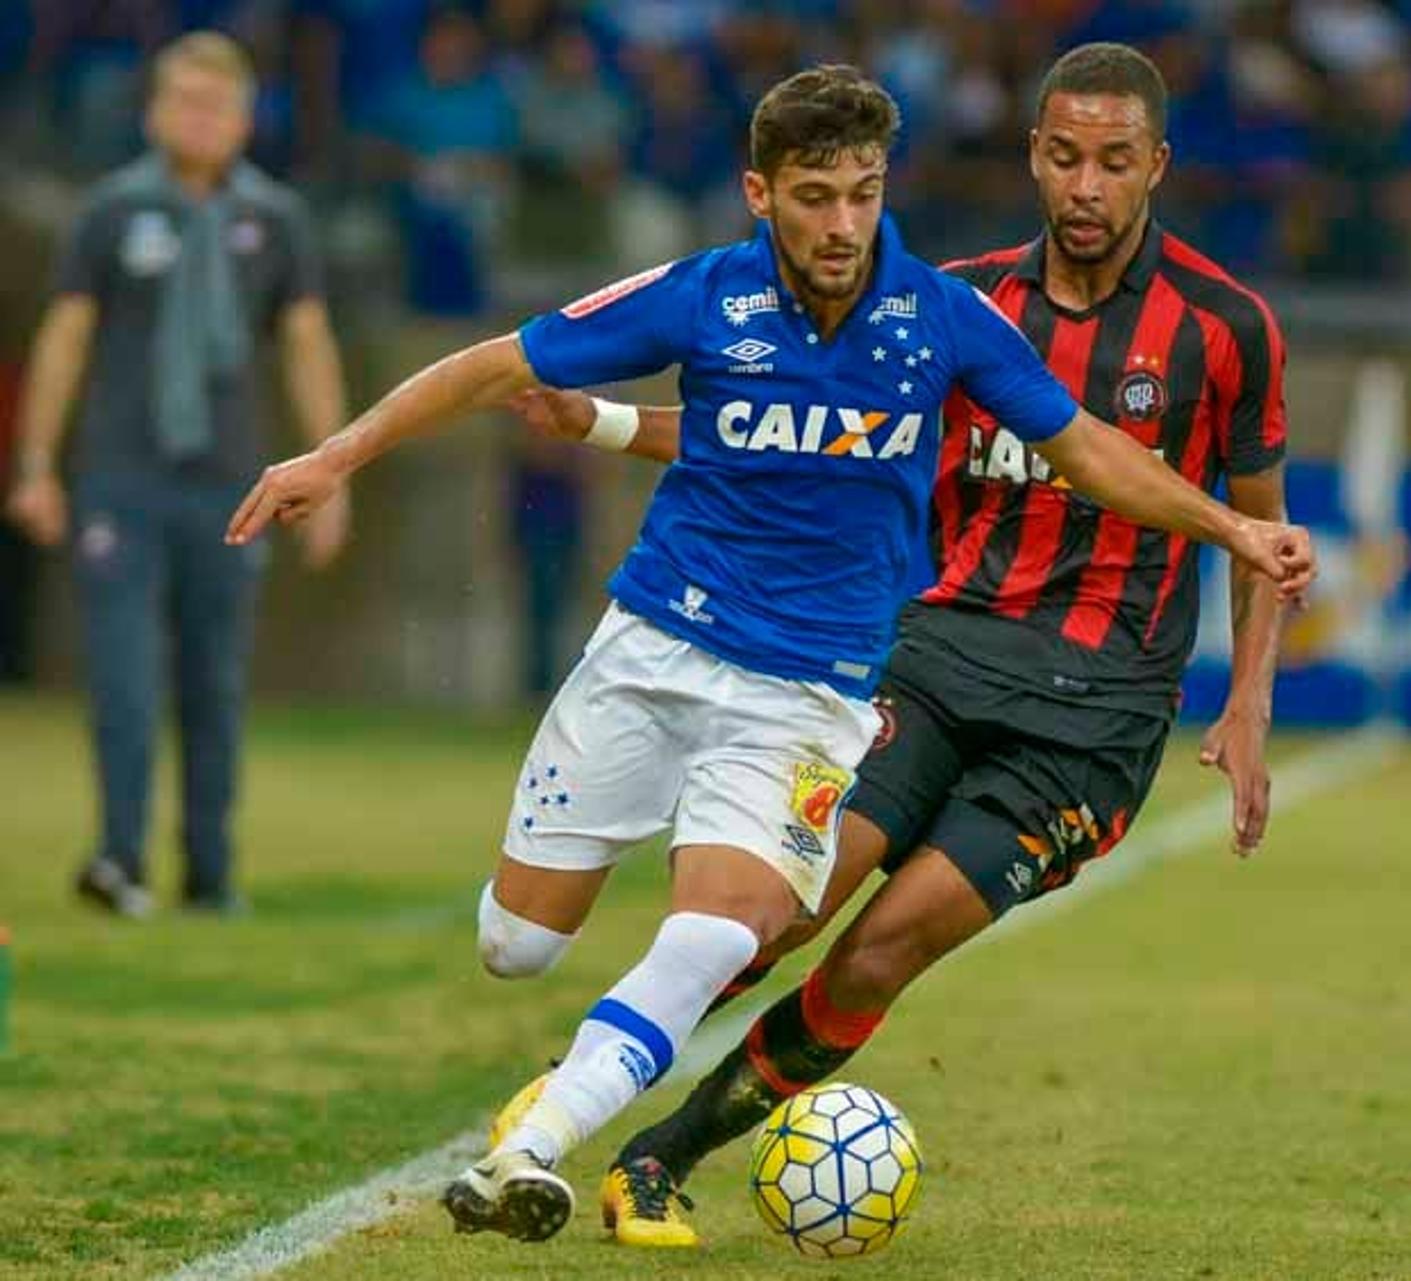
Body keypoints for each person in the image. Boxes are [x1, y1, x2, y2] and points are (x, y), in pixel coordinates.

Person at [222, 64, 1314, 1244]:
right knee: (598, 935)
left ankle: (617, 1147)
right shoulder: (930, 298)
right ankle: (594, 1049)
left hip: (1046, 707)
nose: (1085, 185)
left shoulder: (1186, 326)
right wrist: (567, 425)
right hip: (914, 656)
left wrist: (1240, 626)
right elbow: (767, 427)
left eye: (1113, 162)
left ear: (1158, 165)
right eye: (1063, 156)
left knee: (849, 942)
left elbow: (1113, 458)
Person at [5, 31, 350, 919]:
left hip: (232, 480)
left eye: (216, 105)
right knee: (121, 674)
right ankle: (118, 860)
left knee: (216, 679)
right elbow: (66, 335)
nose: (198, 119)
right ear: (155, 109)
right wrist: (38, 463)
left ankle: (209, 870)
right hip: (122, 475)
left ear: (242, 119)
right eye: (183, 101)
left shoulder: (275, 219)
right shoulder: (112, 212)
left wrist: (333, 468)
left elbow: (306, 341)